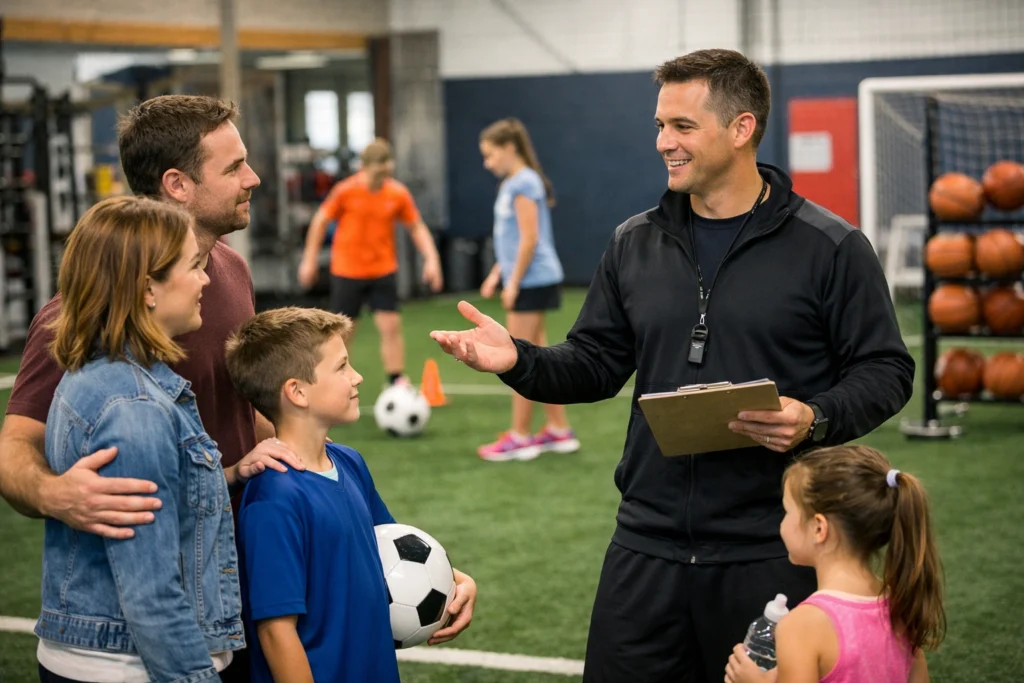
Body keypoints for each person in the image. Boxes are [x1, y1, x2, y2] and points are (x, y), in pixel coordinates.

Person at [429, 48, 915, 683]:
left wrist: (815, 416)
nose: (664, 142)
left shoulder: (831, 247)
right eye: (660, 125)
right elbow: (595, 364)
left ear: (741, 128)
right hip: (646, 544)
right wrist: (518, 358)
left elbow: (886, 369)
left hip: (770, 548)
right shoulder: (635, 242)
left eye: (683, 126)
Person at [0, 95, 300, 683]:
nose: (253, 178)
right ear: (177, 184)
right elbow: (15, 446)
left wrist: (313, 465)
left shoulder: (230, 271)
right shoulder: (78, 321)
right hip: (153, 621)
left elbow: (241, 412)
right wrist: (56, 495)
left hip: (237, 579)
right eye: (234, 166)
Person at [36, 196, 243, 682]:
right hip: (130, 667)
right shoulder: (133, 409)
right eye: (193, 266)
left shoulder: (105, 376)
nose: (205, 280)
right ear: (148, 288)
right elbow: (151, 594)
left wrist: (229, 474)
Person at [224, 307, 478, 682]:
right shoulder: (273, 498)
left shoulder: (349, 462)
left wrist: (458, 580)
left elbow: (386, 549)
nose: (357, 376)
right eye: (342, 367)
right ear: (297, 391)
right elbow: (276, 633)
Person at [725, 446, 944, 683]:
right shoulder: (901, 605)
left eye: (787, 511)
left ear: (819, 528)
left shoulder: (801, 627)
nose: (782, 522)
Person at [297, 138, 444, 386]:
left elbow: (416, 226)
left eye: (387, 166)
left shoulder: (397, 193)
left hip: (383, 270)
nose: (383, 173)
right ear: (364, 167)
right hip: (347, 271)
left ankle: (396, 381)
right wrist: (309, 260)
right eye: (378, 168)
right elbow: (320, 221)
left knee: (391, 327)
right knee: (342, 334)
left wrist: (432, 259)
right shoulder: (345, 191)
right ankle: (340, 382)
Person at [475, 118, 579, 461]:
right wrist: (497, 273)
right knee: (539, 357)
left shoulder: (525, 183)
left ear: (509, 148)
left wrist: (514, 282)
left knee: (517, 360)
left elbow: (530, 238)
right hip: (529, 279)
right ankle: (559, 430)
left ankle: (520, 436)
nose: (487, 163)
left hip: (533, 280)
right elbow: (510, 239)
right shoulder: (512, 184)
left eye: (491, 155)